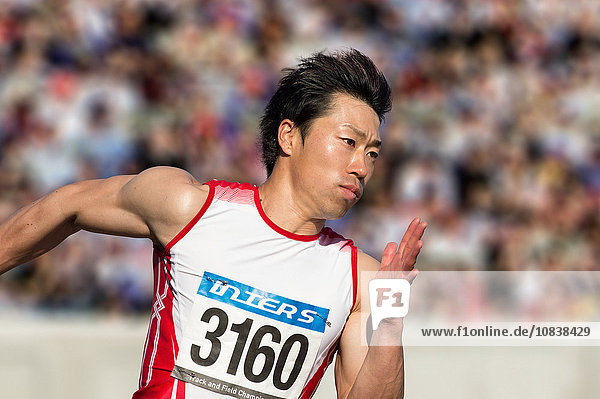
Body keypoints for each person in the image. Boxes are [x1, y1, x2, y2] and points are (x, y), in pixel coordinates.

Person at [0, 49, 426, 399]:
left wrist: (390, 319)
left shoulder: (361, 279)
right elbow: (67, 204)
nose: (362, 166)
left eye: (372, 153)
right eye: (349, 143)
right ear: (288, 136)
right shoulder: (191, 209)